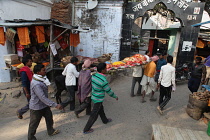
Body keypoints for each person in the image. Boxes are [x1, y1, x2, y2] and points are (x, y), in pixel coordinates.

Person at [28, 64, 62, 140]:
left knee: (49, 117)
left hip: (44, 105)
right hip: (36, 107)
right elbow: (42, 97)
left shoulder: (42, 79)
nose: (45, 71)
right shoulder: (36, 84)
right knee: (34, 123)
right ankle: (31, 138)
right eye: (43, 70)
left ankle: (50, 131)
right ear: (38, 72)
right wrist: (55, 105)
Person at [83, 63, 118, 134]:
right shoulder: (103, 80)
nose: (106, 69)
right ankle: (86, 129)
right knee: (94, 115)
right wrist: (115, 96)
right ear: (102, 70)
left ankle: (105, 120)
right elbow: (108, 91)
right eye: (105, 68)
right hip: (98, 98)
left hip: (94, 96)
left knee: (101, 109)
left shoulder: (94, 75)